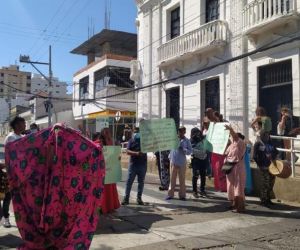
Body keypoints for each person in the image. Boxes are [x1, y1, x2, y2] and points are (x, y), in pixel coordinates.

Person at [2, 116, 26, 228]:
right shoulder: (11, 137)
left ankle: (20, 219)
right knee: (8, 196)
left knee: (19, 197)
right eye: (23, 123)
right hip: (11, 173)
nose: (25, 125)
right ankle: (6, 218)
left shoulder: (22, 136)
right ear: (16, 125)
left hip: (21, 173)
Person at [93, 129, 121, 214]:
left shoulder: (112, 142)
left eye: (108, 132)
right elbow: (93, 147)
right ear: (102, 133)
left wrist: (117, 157)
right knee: (104, 189)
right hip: (102, 170)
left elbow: (115, 154)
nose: (107, 133)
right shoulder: (99, 141)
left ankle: (111, 206)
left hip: (111, 170)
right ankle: (103, 207)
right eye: (105, 132)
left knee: (111, 188)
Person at [122, 127, 147, 205]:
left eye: (138, 131)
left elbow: (151, 147)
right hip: (133, 164)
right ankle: (126, 199)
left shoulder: (145, 141)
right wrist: (136, 153)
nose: (136, 133)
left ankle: (139, 199)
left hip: (142, 164)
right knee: (129, 182)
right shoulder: (131, 140)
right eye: (135, 132)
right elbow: (127, 151)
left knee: (141, 182)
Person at [224, 125, 247, 213]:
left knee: (238, 188)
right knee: (231, 187)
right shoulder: (232, 145)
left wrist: (231, 130)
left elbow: (235, 136)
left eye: (234, 136)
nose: (233, 137)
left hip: (238, 168)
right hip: (229, 167)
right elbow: (226, 154)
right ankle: (234, 204)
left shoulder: (240, 143)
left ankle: (240, 207)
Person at [166, 126, 192, 200]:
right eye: (179, 131)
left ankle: (182, 195)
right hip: (173, 161)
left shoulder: (187, 141)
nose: (180, 132)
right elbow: (170, 148)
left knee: (182, 179)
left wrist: (184, 149)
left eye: (181, 131)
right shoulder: (174, 139)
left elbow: (190, 151)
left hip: (181, 162)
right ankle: (170, 194)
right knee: (172, 179)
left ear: (184, 132)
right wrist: (169, 157)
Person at [253, 131, 278, 207]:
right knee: (265, 183)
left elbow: (276, 152)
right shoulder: (258, 144)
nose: (266, 137)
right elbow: (254, 156)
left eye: (268, 135)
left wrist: (272, 155)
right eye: (265, 135)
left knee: (271, 183)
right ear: (261, 136)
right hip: (263, 167)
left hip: (272, 167)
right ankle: (263, 200)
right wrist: (260, 164)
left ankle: (268, 199)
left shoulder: (271, 143)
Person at [190, 128, 208, 198]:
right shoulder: (191, 140)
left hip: (203, 160)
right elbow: (191, 149)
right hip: (196, 160)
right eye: (195, 133)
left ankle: (202, 190)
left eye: (198, 132)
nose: (197, 134)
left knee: (203, 175)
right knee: (195, 175)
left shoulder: (202, 139)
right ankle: (194, 191)